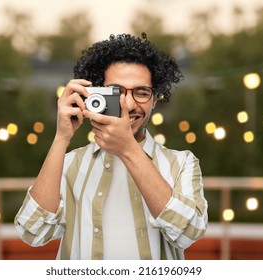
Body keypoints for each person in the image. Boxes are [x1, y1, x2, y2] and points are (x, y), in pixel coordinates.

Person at [14, 33, 208, 260]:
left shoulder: (183, 163)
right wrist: (61, 137)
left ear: (155, 99)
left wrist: (128, 149)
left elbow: (189, 232)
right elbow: (32, 231)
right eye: (116, 92)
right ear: (97, 94)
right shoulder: (68, 164)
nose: (128, 104)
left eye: (142, 92)